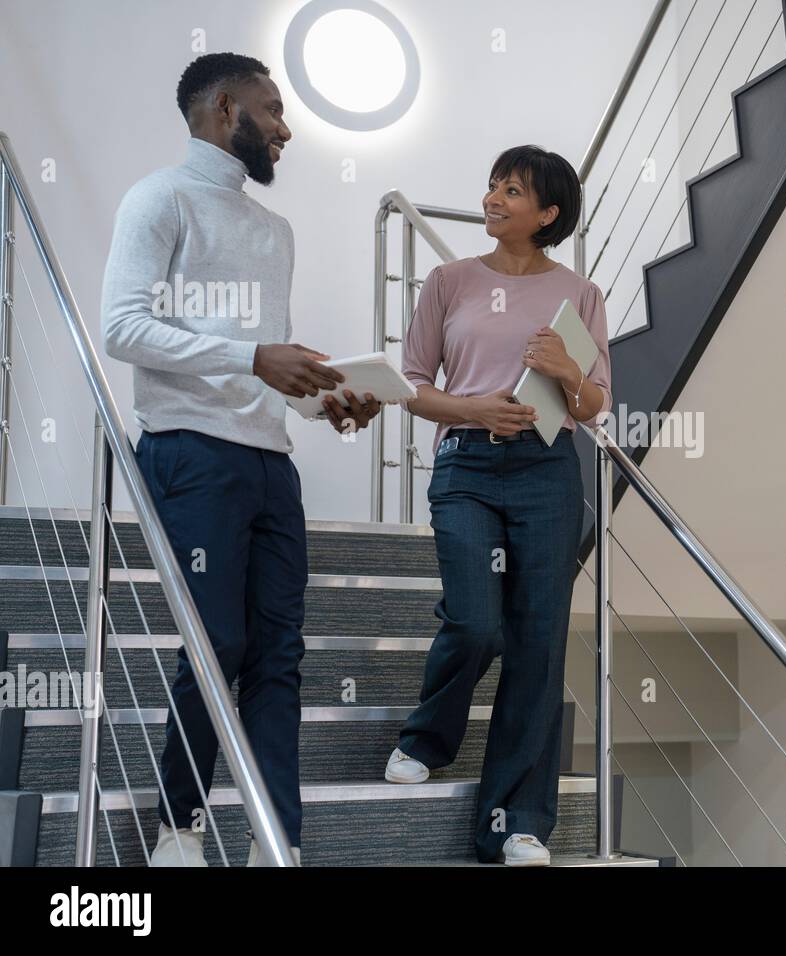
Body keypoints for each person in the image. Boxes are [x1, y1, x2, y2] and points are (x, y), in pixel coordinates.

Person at [101, 52, 381, 866]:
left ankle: (274, 841)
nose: (286, 128)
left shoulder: (273, 229)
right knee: (216, 642)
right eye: (274, 108)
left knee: (278, 655)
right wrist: (256, 355)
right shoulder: (157, 199)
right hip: (189, 453)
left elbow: (261, 365)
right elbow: (122, 329)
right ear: (226, 109)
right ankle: (178, 828)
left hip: (269, 461)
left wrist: (322, 400)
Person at [385, 145, 613, 866]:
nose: (492, 198)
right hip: (467, 466)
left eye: (510, 191)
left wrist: (567, 371)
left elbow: (595, 402)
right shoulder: (448, 280)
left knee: (539, 642)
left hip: (546, 468)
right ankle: (427, 739)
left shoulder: (580, 294)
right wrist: (473, 406)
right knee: (478, 621)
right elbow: (412, 383)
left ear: (546, 215)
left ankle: (517, 822)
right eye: (492, 185)